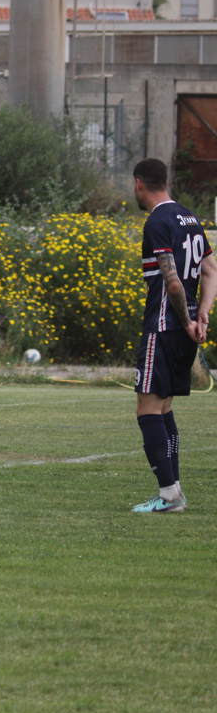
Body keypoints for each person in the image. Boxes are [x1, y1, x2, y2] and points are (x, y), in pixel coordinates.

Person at [129, 158, 217, 512]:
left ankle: (168, 495)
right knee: (163, 409)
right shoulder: (189, 218)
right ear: (165, 181)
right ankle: (174, 490)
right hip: (183, 330)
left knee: (147, 411)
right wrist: (202, 315)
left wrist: (185, 320)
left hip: (163, 328)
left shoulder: (157, 222)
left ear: (139, 184)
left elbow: (173, 282)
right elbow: (211, 270)